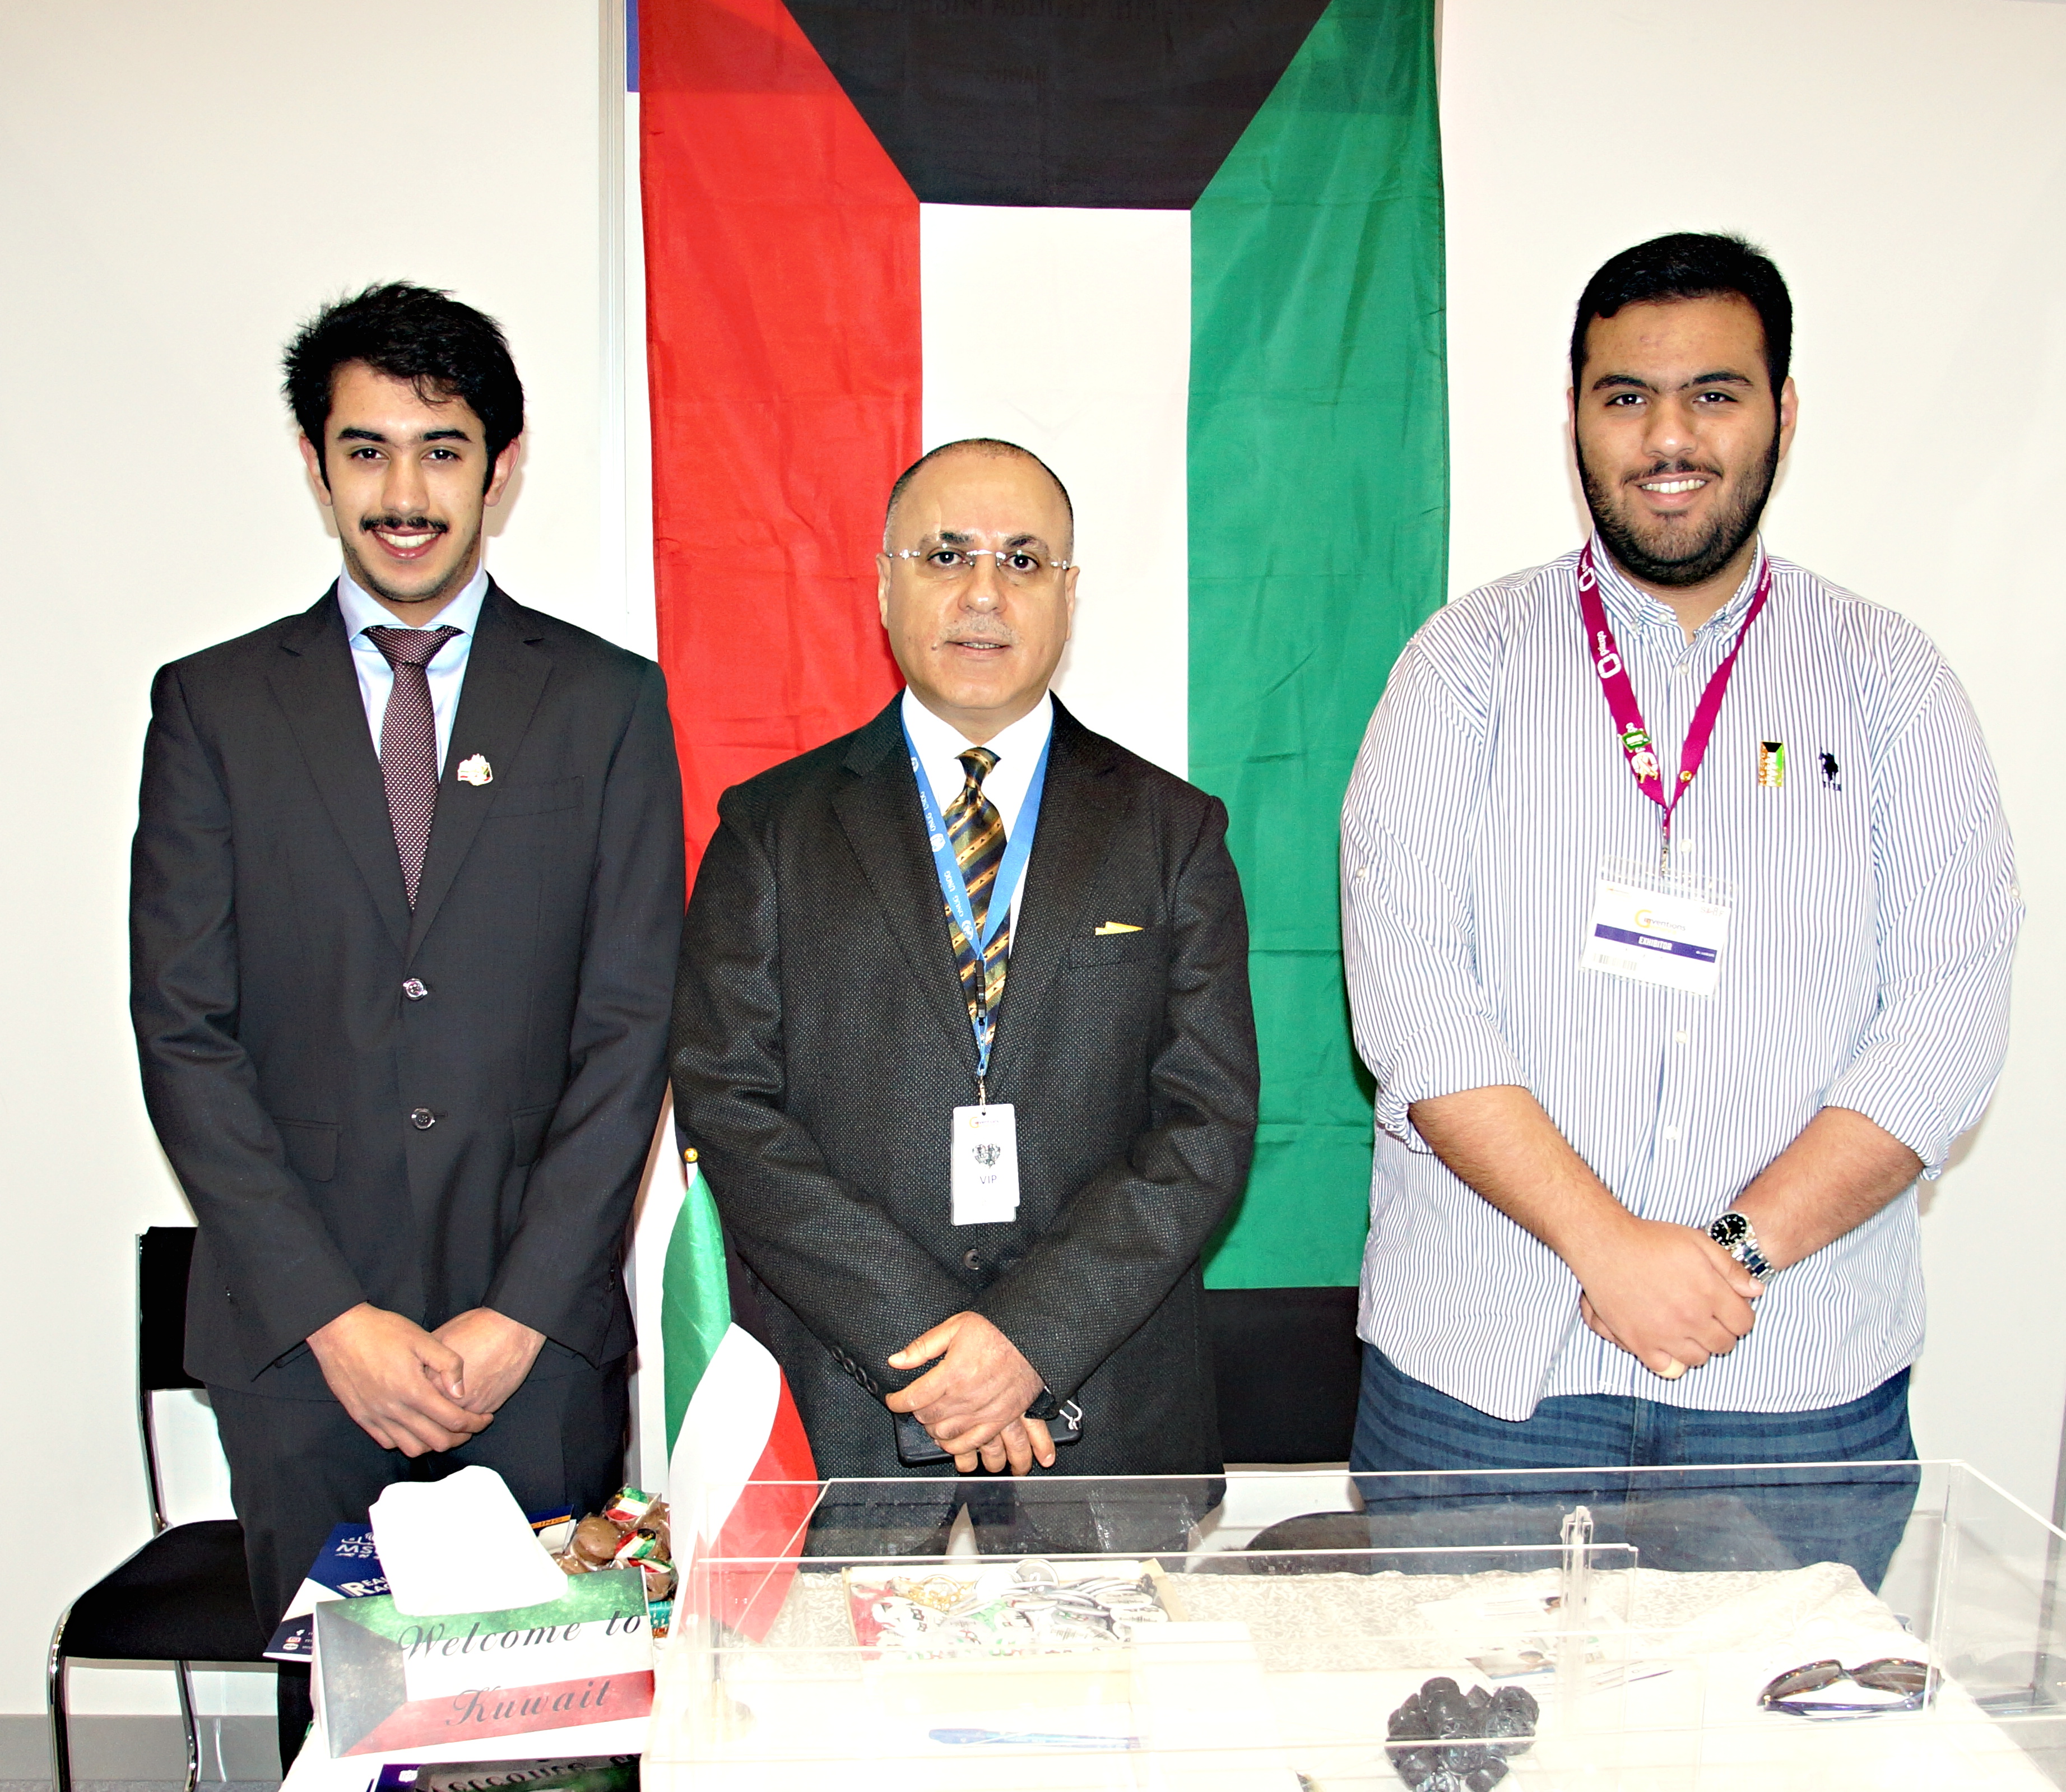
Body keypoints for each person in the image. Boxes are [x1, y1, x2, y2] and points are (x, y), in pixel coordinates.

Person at [1339, 234, 2020, 1589]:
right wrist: (1608, 1249)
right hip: (1483, 1384)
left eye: (1713, 393)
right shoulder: (1458, 667)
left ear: (1780, 410)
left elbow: (1946, 1018)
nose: (1667, 437)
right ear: (1575, 418)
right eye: (1623, 396)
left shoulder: (1887, 680)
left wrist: (1719, 1256)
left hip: (1795, 1379)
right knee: (1459, 1753)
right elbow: (1413, 1002)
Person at [129, 283, 684, 1761]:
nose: (404, 493)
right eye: (365, 451)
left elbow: (631, 1027)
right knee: (346, 1741)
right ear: (315, 467)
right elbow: (184, 1030)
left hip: (536, 1347)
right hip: (304, 1353)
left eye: (441, 450)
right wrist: (334, 1314)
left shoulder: (611, 706)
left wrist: (517, 1313)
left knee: (544, 1745)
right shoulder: (214, 707)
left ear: (502, 467)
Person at [669, 438, 1259, 1554]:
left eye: (1024, 561)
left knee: (1103, 1728)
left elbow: (1205, 1123)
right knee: (836, 1728)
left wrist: (1026, 1340)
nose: (984, 593)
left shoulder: (1171, 833)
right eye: (946, 555)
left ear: (1067, 596)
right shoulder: (770, 830)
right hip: (845, 1417)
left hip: (1103, 1414)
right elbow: (729, 1109)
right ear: (884, 582)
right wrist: (931, 1342)